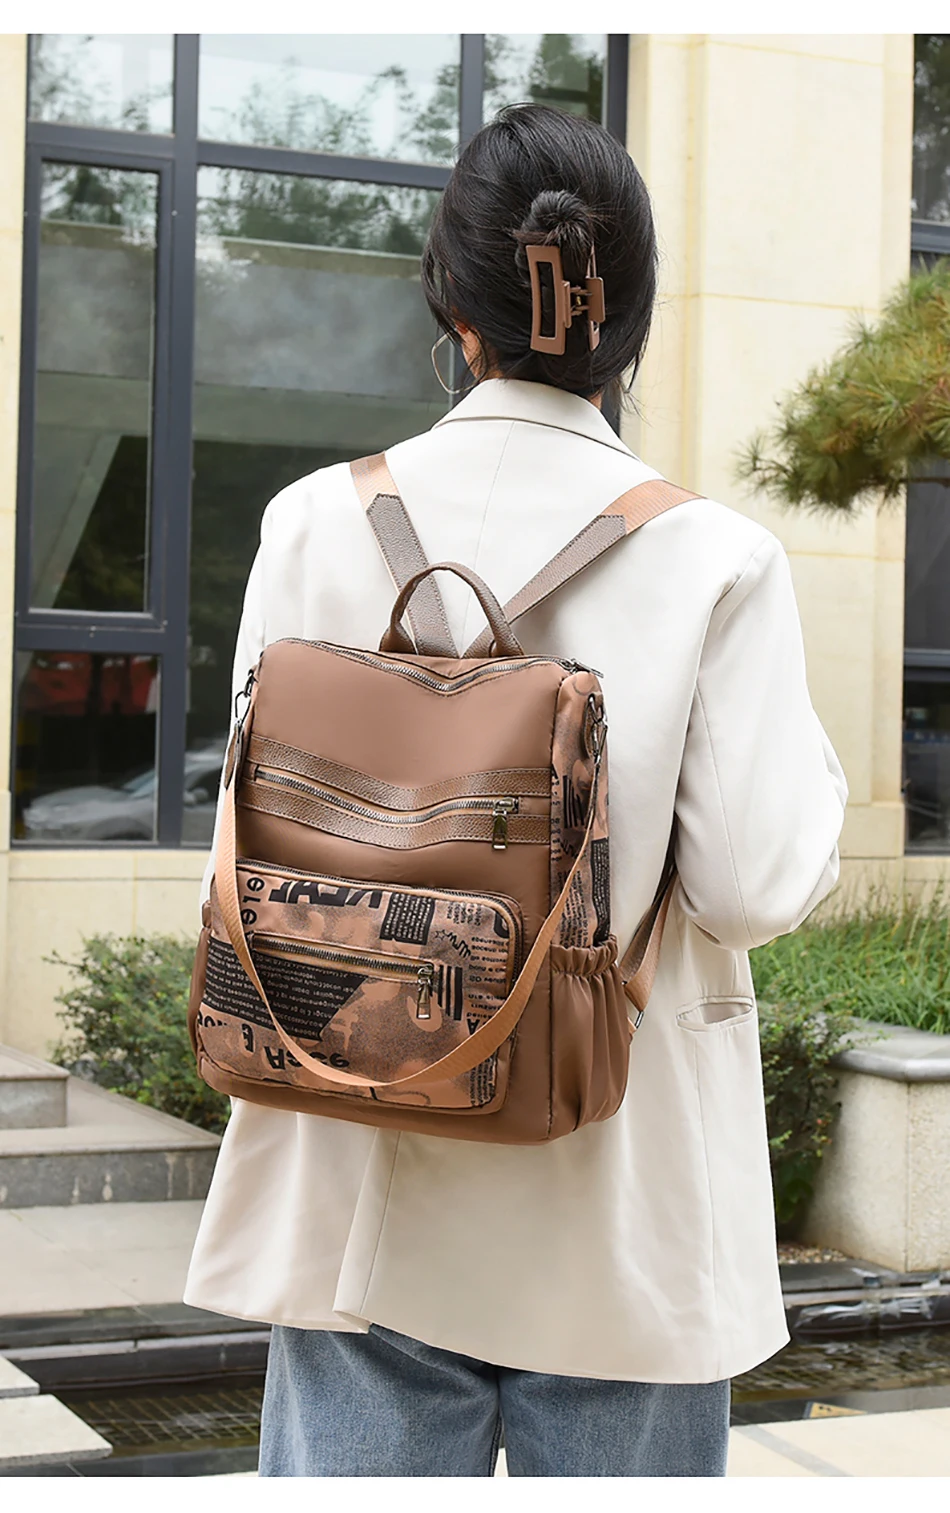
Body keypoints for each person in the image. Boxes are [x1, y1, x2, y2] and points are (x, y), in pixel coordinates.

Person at [184, 103, 847, 1477]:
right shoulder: (716, 558)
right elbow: (751, 886)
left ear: (451, 301)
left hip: (354, 1134)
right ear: (632, 317)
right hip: (613, 1188)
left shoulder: (311, 521)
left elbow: (247, 839)